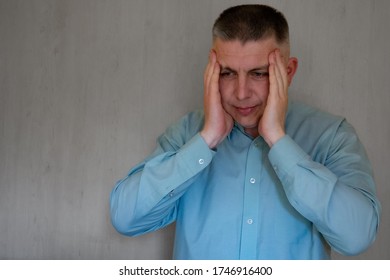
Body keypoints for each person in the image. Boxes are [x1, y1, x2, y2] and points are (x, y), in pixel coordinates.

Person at [110, 4, 381, 259]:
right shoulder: (186, 134)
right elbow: (125, 218)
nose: (241, 93)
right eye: (227, 73)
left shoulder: (331, 136)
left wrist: (278, 139)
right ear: (211, 71)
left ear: (287, 72)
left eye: (258, 74)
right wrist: (207, 139)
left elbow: (357, 237)